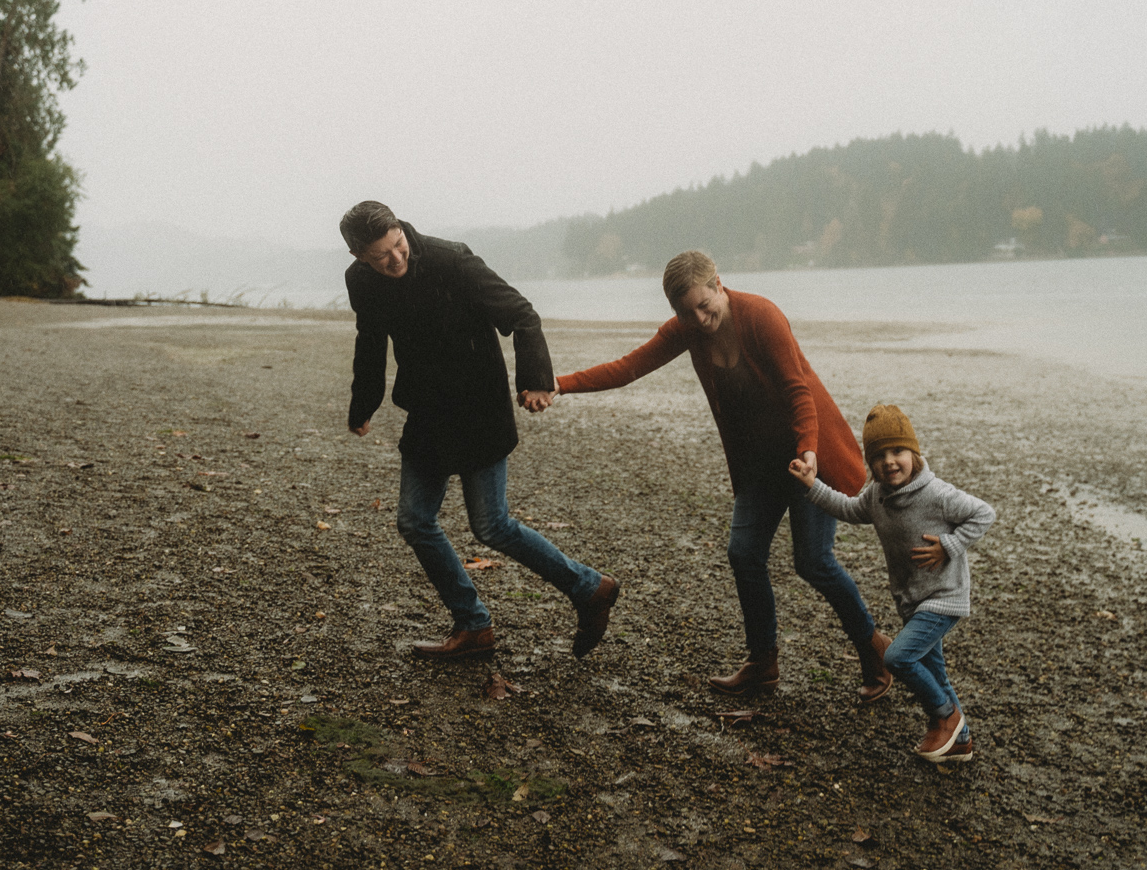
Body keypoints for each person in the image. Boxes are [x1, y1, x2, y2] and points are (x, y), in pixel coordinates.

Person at [553, 250, 892, 699]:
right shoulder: (687, 330)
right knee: (744, 553)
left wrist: (808, 450)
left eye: (703, 304)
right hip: (758, 464)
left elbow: (799, 391)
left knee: (813, 562)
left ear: (718, 284)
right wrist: (559, 383)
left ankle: (874, 649)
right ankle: (762, 663)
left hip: (808, 456)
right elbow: (629, 368)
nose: (698, 318)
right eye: (684, 312)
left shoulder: (761, 316)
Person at [341, 200, 620, 661]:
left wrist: (533, 380)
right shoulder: (360, 283)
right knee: (415, 522)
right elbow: (370, 341)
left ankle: (590, 589)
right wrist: (363, 403)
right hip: (428, 413)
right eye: (381, 256)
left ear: (400, 229)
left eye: (398, 244)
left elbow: (522, 315)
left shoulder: (452, 260)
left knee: (491, 525)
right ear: (359, 258)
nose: (397, 259)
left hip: (479, 410)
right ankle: (472, 623)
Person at [789, 404, 996, 763]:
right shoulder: (876, 495)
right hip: (912, 600)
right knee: (933, 670)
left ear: (914, 453)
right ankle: (960, 739)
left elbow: (983, 513)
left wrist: (949, 546)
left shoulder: (937, 494)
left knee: (898, 657)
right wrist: (812, 485)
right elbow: (848, 509)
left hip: (944, 596)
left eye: (898, 452)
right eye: (879, 456)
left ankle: (946, 717)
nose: (889, 462)